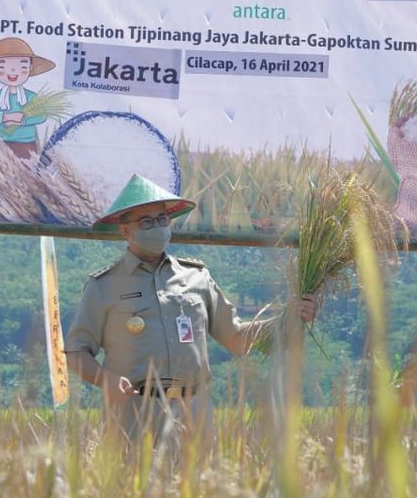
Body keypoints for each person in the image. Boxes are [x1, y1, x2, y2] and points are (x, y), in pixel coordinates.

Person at [63, 174, 317, 446]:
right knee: (134, 487)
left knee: (196, 487)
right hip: (133, 411)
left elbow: (236, 337)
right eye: (146, 222)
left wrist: (288, 317)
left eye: (162, 220)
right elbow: (76, 352)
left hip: (193, 411)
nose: (157, 228)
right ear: (125, 231)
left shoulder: (196, 277)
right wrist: (105, 380)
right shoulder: (104, 286)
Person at [0, 37, 56, 160]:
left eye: (22, 66)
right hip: (0, 144)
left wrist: (22, 119)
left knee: (27, 174)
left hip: (27, 144)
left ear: (30, 68)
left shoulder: (31, 96)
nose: (12, 71)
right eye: (2, 67)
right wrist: (5, 117)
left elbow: (42, 115)